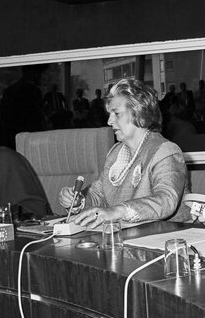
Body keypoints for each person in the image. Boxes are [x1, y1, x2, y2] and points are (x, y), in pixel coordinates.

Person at [58, 78, 188, 228]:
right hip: (128, 239)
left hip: (168, 239)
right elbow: (98, 196)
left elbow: (166, 200)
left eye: (116, 114)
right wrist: (78, 201)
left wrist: (118, 211)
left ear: (140, 114)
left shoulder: (165, 150)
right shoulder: (115, 153)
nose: (109, 121)